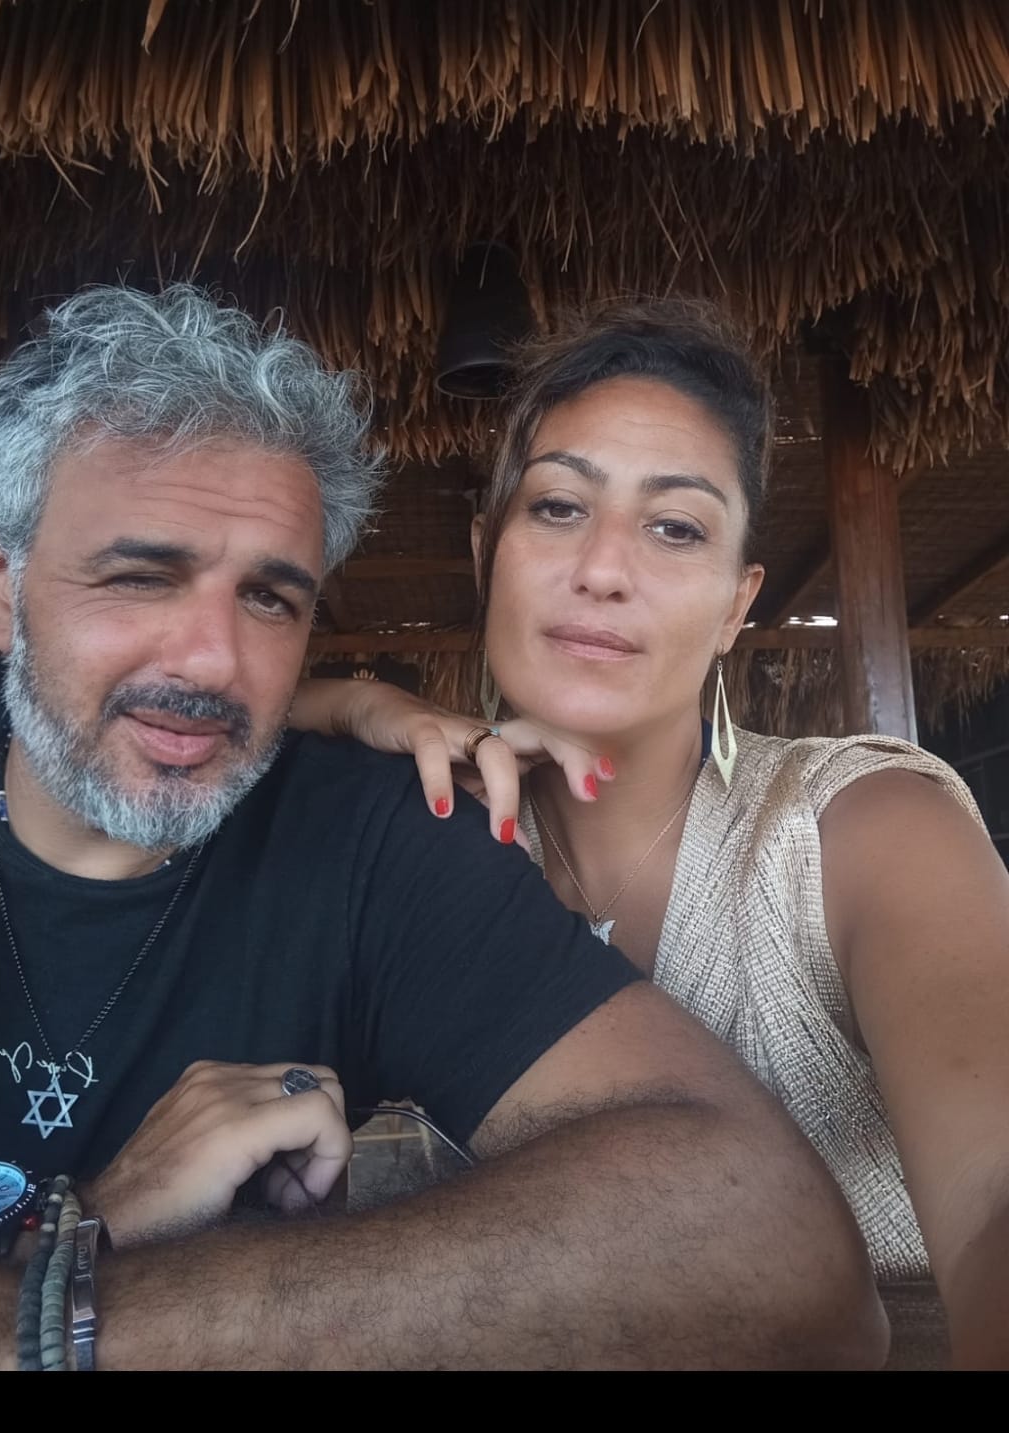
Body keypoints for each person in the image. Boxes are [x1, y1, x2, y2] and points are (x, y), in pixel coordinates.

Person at [0, 284, 885, 1371]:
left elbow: (768, 1246)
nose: (212, 661)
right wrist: (78, 1237)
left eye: (271, 599)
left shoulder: (378, 841)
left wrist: (36, 1320)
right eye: (141, 575)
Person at [290, 299, 1009, 1369]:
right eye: (558, 507)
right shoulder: (414, 846)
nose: (604, 568)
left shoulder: (860, 830)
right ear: (487, 552)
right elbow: (190, 739)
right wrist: (353, 703)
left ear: (735, 604)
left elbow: (994, 1193)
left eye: (676, 527)